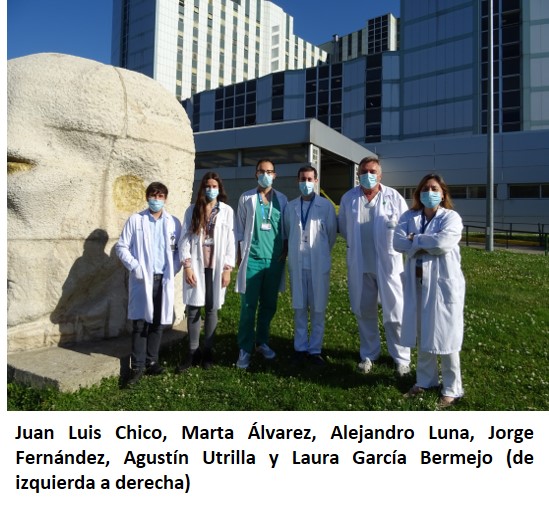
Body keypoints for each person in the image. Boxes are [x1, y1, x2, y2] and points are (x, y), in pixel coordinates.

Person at [394, 173, 465, 408]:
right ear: (418, 193)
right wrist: (424, 242)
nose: (429, 192)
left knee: (446, 336)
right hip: (417, 284)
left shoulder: (451, 218)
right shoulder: (409, 216)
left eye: (434, 188)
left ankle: (452, 389)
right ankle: (425, 381)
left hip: (443, 285)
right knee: (423, 333)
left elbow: (443, 243)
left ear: (443, 193)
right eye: (425, 188)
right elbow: (397, 243)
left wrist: (415, 240)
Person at [338, 156, 411, 376]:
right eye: (364, 171)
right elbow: (343, 227)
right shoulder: (349, 198)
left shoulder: (394, 197)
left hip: (389, 265)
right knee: (364, 311)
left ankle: (401, 358)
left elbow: (405, 228)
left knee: (395, 312)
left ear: (380, 175)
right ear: (358, 174)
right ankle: (369, 354)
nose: (368, 175)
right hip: (361, 265)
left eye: (372, 171)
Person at [116, 182, 181, 386]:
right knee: (140, 323)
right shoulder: (136, 220)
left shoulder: (173, 223)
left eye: (160, 196)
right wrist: (135, 267)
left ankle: (152, 361)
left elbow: (179, 250)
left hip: (164, 278)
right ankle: (137, 366)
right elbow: (121, 247)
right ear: (147, 197)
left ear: (165, 199)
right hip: (143, 279)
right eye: (153, 195)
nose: (156, 199)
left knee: (158, 322)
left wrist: (175, 268)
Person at [177, 172, 235, 371]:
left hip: (216, 266)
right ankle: (193, 351)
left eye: (214, 186)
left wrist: (227, 268)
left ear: (219, 188)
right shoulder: (192, 210)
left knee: (211, 308)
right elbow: (184, 238)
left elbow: (230, 241)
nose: (211, 189)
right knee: (193, 308)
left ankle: (208, 350)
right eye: (207, 186)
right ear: (202, 188)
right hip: (196, 266)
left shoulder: (226, 211)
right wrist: (187, 265)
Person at [235, 159, 288, 369]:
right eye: (261, 171)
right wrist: (238, 256)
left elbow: (285, 228)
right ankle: (245, 348)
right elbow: (239, 229)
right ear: (255, 174)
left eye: (269, 171)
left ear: (275, 175)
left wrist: (285, 247)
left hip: (274, 261)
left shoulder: (282, 200)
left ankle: (262, 342)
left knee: (269, 305)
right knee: (248, 306)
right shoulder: (246, 198)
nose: (265, 174)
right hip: (253, 260)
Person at [284, 164, 337, 365]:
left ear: (316, 181)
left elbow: (331, 235)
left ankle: (315, 349)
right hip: (298, 264)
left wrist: (321, 253)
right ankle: (300, 347)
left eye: (309, 179)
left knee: (318, 308)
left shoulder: (325, 206)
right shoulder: (291, 206)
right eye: (302, 179)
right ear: (297, 181)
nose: (306, 183)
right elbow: (288, 231)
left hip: (318, 264)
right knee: (299, 307)